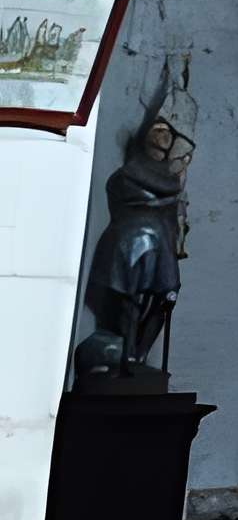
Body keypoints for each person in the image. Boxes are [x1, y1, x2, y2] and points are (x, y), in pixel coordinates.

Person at [84, 112, 190, 381]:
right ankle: (125, 354)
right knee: (127, 302)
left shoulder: (170, 180)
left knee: (165, 299)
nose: (163, 138)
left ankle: (139, 353)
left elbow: (171, 216)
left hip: (161, 246)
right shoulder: (126, 176)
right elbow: (122, 200)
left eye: (167, 133)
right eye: (158, 132)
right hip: (131, 241)